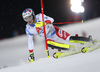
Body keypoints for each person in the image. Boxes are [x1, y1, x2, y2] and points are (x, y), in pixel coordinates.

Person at [22, 8, 92, 62]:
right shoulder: (28, 28)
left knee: (69, 38)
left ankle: (88, 40)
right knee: (48, 43)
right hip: (50, 38)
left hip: (56, 31)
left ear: (33, 15)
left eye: (29, 17)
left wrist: (44, 22)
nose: (28, 20)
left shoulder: (40, 16)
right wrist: (31, 54)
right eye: (26, 19)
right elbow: (30, 41)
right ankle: (72, 48)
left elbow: (52, 19)